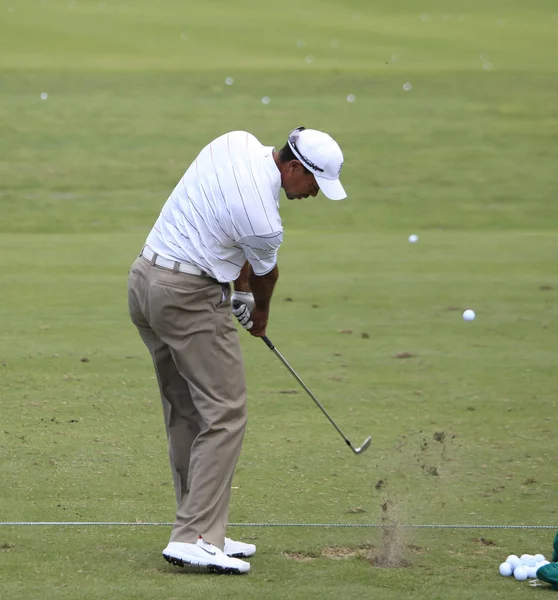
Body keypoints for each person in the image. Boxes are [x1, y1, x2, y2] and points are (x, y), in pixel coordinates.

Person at [127, 126, 347, 574]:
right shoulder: (266, 220)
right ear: (292, 168)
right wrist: (256, 311)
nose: (315, 195)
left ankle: (204, 527)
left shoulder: (235, 141)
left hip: (145, 282)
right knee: (225, 413)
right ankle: (197, 536)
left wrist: (239, 293)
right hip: (188, 297)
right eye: (314, 184)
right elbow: (265, 276)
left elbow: (232, 240)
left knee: (188, 409)